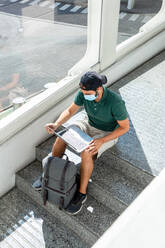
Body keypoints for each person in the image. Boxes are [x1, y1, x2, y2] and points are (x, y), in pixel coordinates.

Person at [33, 71, 129, 215]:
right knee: (62, 136)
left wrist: (101, 141)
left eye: (87, 92)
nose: (84, 95)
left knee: (86, 151)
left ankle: (81, 193)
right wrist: (56, 123)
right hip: (88, 123)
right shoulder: (84, 93)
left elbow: (124, 127)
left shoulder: (115, 102)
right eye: (83, 92)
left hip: (107, 133)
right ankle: (49, 174)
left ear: (99, 89)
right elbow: (71, 110)